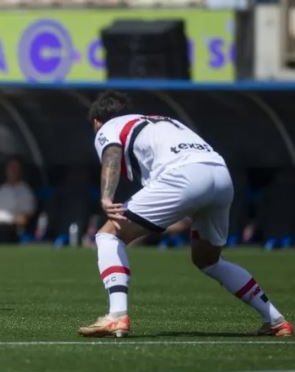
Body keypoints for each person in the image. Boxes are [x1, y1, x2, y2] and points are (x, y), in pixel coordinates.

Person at [78, 91, 292, 338]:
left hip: (183, 175)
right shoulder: (162, 120)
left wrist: (106, 196)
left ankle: (116, 316)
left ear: (96, 122)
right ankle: (276, 320)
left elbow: (112, 154)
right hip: (220, 174)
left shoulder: (110, 126)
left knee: (108, 236)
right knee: (208, 260)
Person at [0, 158, 36, 243]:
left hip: (13, 232)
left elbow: (24, 219)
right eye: (11, 168)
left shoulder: (26, 193)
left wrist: (6, 218)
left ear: (21, 171)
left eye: (16, 168)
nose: (13, 171)